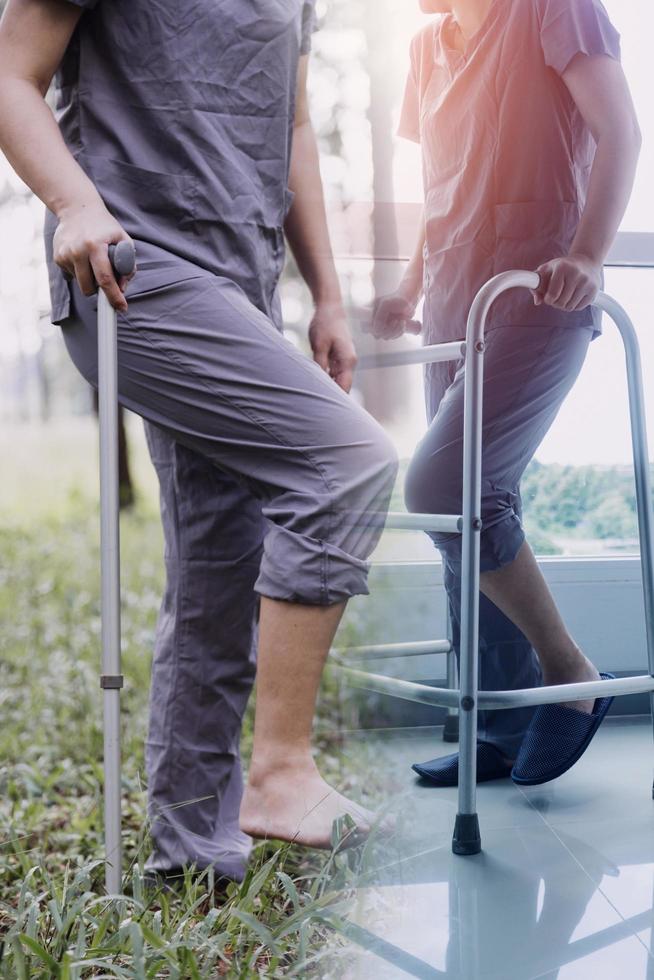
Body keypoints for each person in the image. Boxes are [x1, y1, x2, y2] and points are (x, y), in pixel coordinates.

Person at [0, 0, 399, 881]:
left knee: (221, 558)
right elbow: (10, 74)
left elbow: (293, 128)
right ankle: (281, 771)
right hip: (128, 270)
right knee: (349, 460)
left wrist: (326, 295)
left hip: (240, 285)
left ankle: (189, 852)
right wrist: (73, 203)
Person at [371, 0, 641, 785]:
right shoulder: (426, 46)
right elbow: (440, 187)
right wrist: (410, 285)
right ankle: (496, 725)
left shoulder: (553, 8)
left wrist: (589, 254)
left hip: (538, 295)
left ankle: (569, 676)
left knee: (446, 486)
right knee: (467, 514)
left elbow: (620, 128)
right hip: (455, 311)